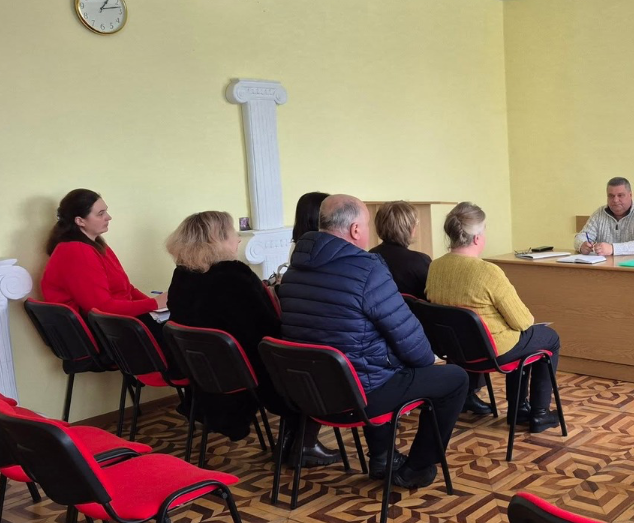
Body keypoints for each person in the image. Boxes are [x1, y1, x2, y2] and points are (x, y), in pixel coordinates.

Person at [279, 195, 467, 488]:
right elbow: (410, 339)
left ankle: (383, 457)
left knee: (373, 361)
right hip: (359, 397)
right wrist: (427, 362)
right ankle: (417, 468)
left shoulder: (293, 271)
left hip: (308, 394)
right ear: (355, 229)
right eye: (366, 225)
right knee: (454, 379)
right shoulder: (367, 270)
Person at [165, 211, 339, 464]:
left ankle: (295, 441)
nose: (237, 239)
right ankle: (304, 444)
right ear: (217, 239)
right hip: (251, 375)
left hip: (207, 376)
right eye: (232, 233)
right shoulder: (234, 276)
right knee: (313, 361)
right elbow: (267, 330)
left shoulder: (182, 275)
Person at [426, 202, 563, 433]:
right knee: (548, 338)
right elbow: (522, 321)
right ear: (477, 238)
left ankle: (520, 408)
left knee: (521, 338)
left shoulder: (435, 267)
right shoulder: (488, 272)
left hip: (456, 351)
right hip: (493, 351)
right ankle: (539, 413)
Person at [371, 201, 495, 417]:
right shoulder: (419, 261)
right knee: (459, 320)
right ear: (408, 227)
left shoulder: (369, 259)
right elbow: (436, 297)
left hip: (380, 334)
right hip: (420, 334)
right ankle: (467, 393)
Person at [41, 187, 167, 324]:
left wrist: (157, 306)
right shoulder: (76, 250)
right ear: (80, 221)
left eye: (105, 211)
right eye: (100, 214)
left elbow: (126, 288)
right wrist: (154, 303)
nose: (108, 217)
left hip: (118, 321)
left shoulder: (97, 245)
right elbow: (101, 308)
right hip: (107, 326)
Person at [574, 177, 634, 256]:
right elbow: (581, 236)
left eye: (620, 195)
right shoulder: (599, 214)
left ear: (630, 195)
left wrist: (613, 248)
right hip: (607, 265)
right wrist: (582, 245)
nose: (615, 200)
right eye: (611, 196)